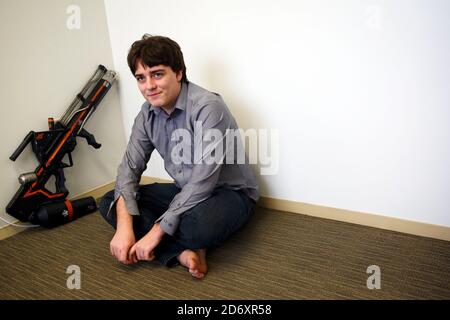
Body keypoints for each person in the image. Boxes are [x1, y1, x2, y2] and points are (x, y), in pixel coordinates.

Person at [98, 34, 259, 279]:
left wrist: (154, 232)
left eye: (157, 74)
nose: (149, 86)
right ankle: (182, 253)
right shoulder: (147, 114)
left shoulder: (208, 106)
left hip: (229, 194)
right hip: (185, 192)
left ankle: (175, 243)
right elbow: (129, 170)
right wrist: (124, 226)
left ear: (179, 73)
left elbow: (203, 181)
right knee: (112, 200)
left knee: (196, 227)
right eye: (141, 78)